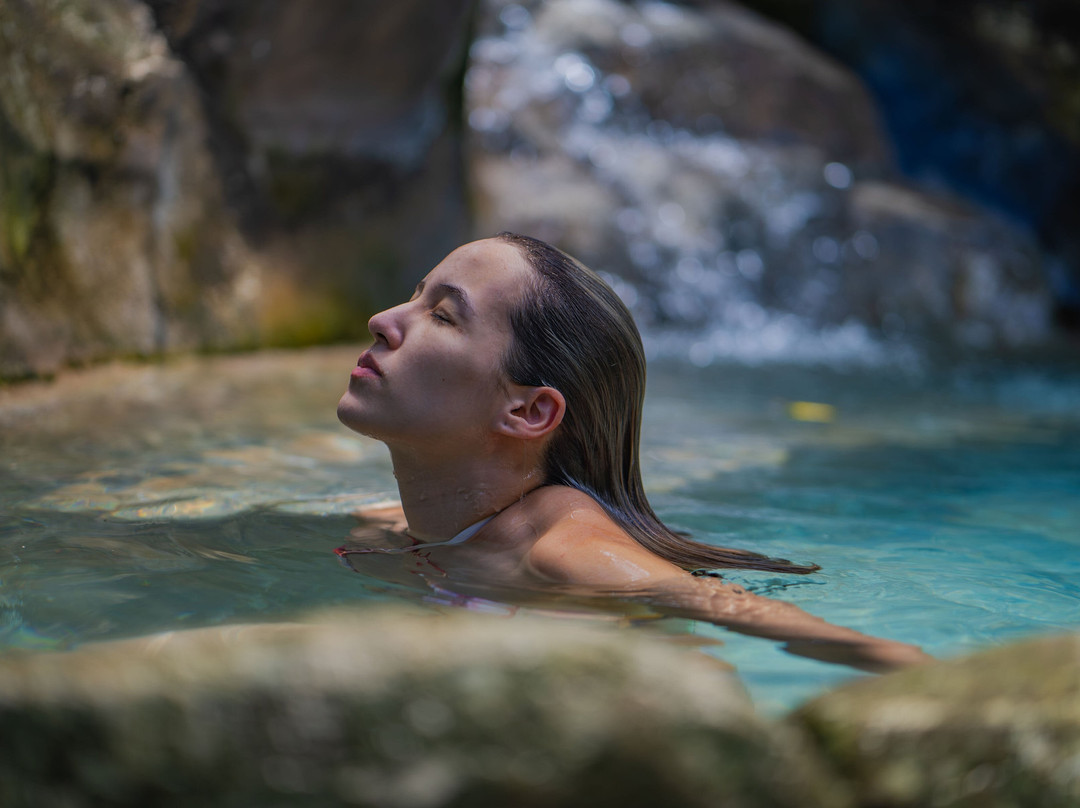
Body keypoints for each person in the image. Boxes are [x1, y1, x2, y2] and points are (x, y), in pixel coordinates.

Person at [336, 232, 930, 672]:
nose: (383, 319)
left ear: (528, 412)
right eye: (414, 298)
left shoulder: (569, 549)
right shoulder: (402, 525)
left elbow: (733, 610)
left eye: (441, 315)